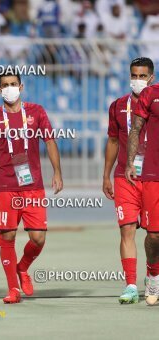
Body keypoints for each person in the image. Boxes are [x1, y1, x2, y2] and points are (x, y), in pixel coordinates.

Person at [0, 71, 63, 304]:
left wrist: (57, 172)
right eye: (5, 85)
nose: (9, 88)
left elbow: (49, 141)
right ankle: (12, 289)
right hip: (6, 185)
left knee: (38, 238)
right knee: (7, 237)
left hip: (33, 186)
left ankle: (22, 267)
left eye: (13, 84)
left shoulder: (36, 112)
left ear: (21, 86)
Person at [103, 57, 154, 304]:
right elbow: (113, 141)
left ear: (151, 78)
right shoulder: (117, 106)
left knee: (154, 235)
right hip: (125, 177)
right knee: (127, 230)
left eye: (142, 76)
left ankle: (152, 278)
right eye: (134, 75)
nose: (137, 80)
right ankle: (131, 285)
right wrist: (106, 174)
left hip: (153, 177)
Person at [125, 59, 159, 306]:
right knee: (154, 234)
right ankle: (153, 273)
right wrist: (129, 163)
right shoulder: (150, 94)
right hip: (153, 174)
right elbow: (135, 130)